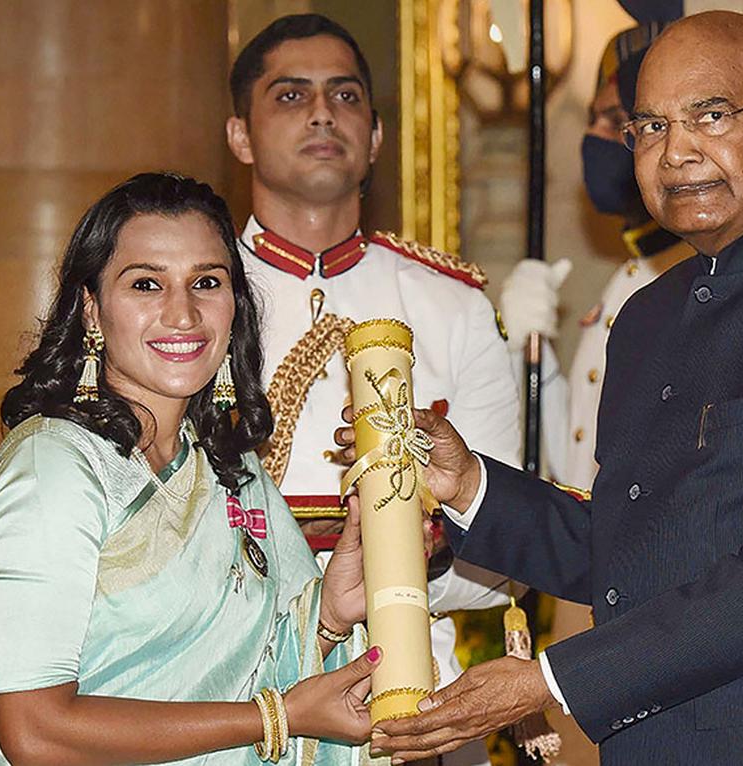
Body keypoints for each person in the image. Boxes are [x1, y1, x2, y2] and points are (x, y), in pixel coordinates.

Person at [361, 11, 743, 765]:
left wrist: (547, 679)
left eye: (710, 116)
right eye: (648, 128)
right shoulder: (650, 316)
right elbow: (639, 547)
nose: (675, 152)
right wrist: (471, 483)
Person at [0, 173, 383, 765]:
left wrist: (330, 615)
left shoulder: (228, 463)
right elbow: (37, 731)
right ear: (92, 309)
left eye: (206, 283)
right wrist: (276, 718)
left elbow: (258, 655)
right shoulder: (55, 468)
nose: (183, 314)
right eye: (146, 285)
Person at [224, 15, 520, 766]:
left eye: (345, 95)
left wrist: (405, 558)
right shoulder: (193, 294)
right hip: (226, 689)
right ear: (240, 136)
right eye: (291, 96)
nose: (323, 113)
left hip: (420, 702)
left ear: (377, 136)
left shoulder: (451, 303)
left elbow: (504, 558)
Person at [500, 21, 696, 492]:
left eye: (615, 121)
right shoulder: (630, 275)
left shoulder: (696, 275)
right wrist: (531, 354)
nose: (594, 138)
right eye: (592, 119)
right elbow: (578, 458)